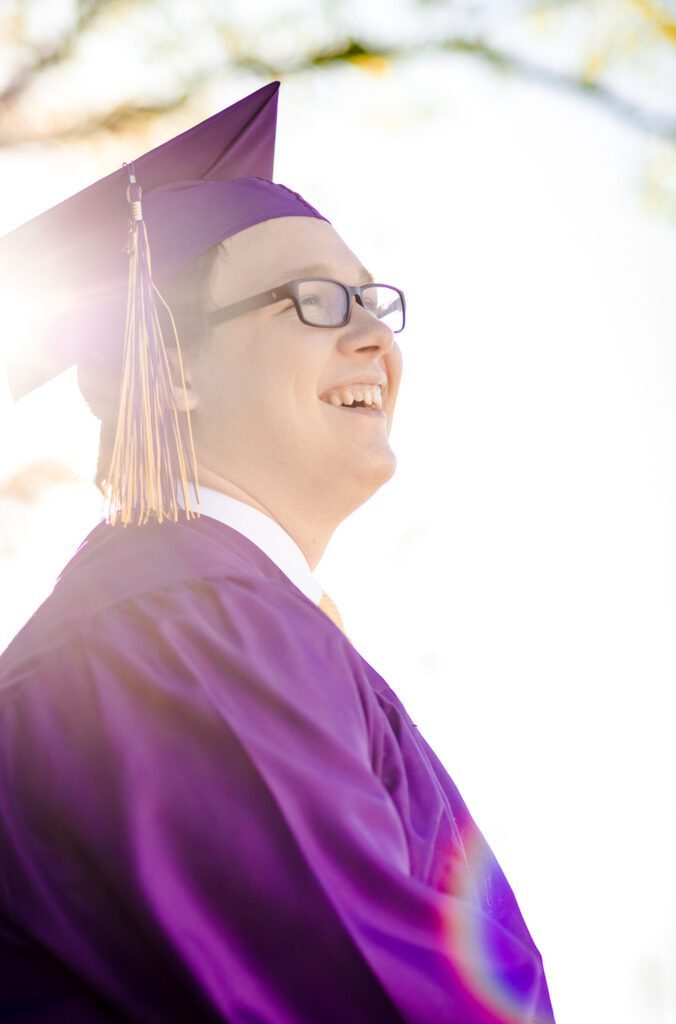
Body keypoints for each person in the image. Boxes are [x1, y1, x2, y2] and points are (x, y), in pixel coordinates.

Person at [0, 82, 555, 1023]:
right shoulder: (180, 628)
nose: (374, 338)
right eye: (317, 301)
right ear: (169, 365)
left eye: (373, 301)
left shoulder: (222, 613)